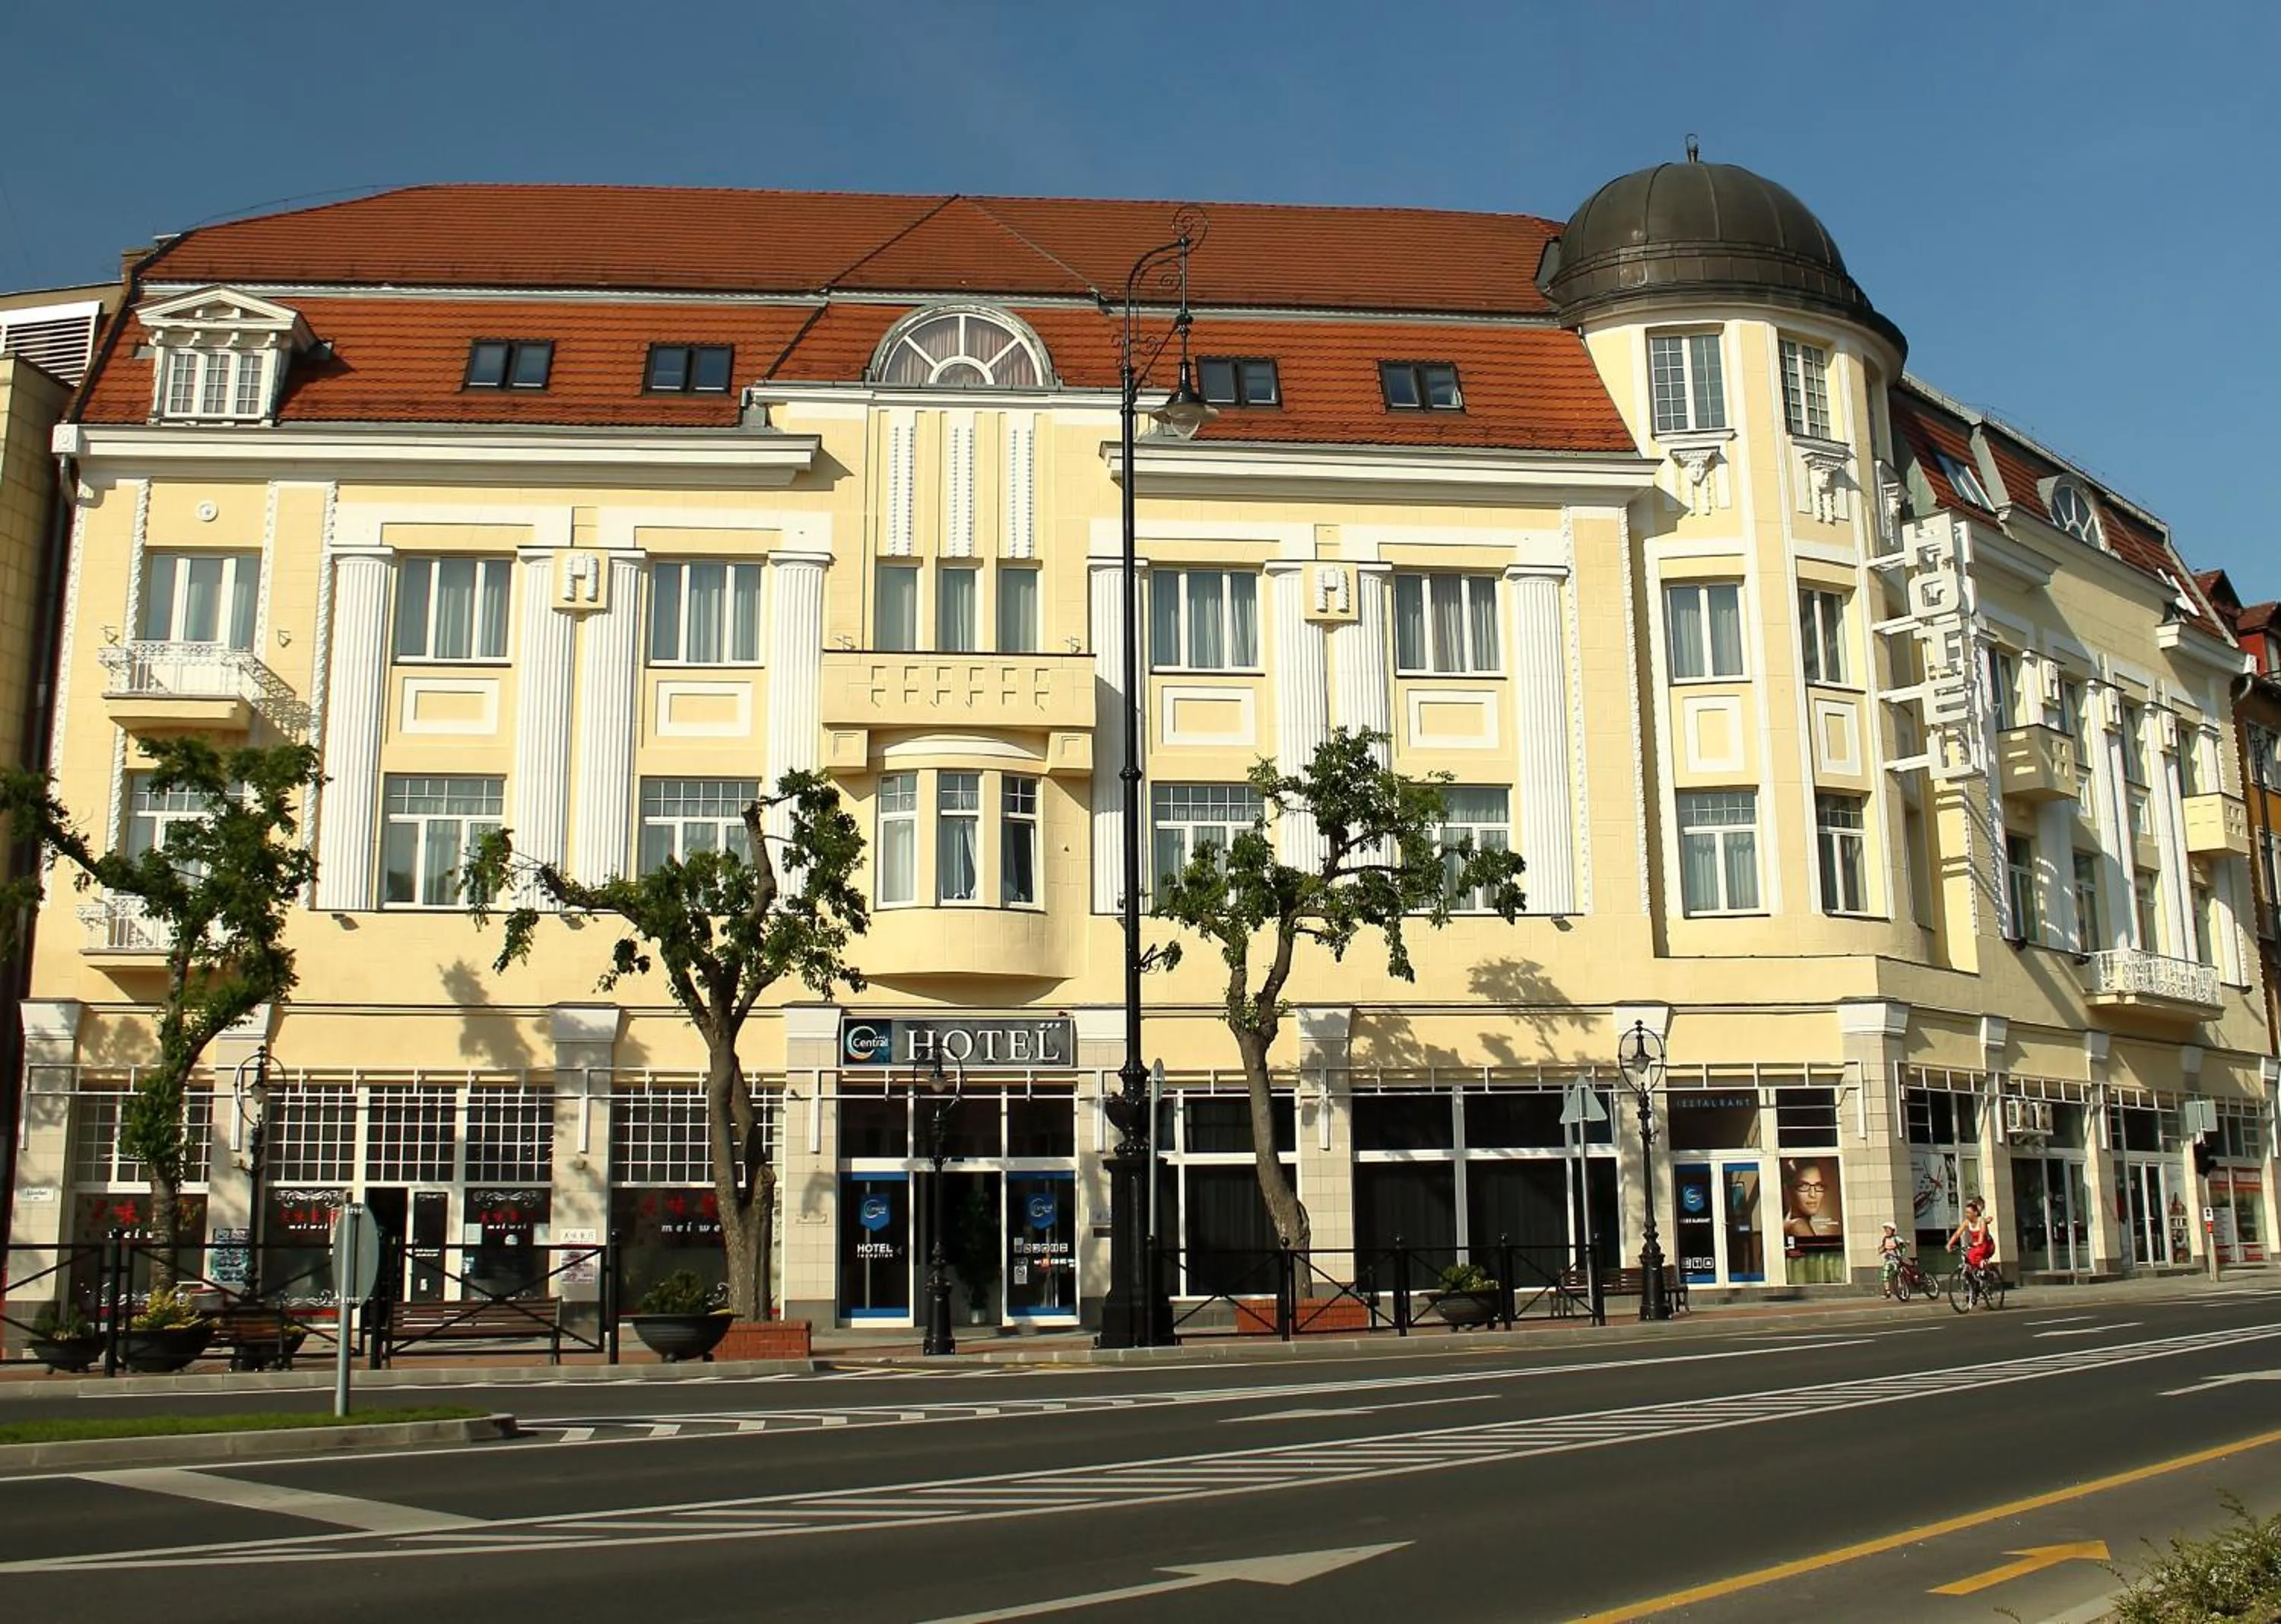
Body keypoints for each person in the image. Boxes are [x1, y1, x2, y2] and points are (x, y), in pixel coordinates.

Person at [1783, 1160, 1841, 1239]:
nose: (1813, 1195)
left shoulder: (1789, 1221)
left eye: (1818, 1186)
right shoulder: (1798, 1226)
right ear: (1788, 1190)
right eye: (1804, 1186)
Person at [1947, 1197, 1996, 1281]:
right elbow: (1957, 1234)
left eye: (1969, 1213)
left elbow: (1982, 1233)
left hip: (1986, 1245)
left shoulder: (1981, 1220)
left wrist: (1979, 1242)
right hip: (1976, 1245)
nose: (1967, 1215)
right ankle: (1973, 1283)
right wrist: (1950, 1244)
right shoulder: (1967, 1222)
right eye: (1966, 1213)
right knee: (1969, 1259)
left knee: (1976, 1257)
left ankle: (1987, 1274)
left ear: (1975, 1212)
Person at [1877, 1221, 1904, 1297]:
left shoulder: (1896, 1238)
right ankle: (1887, 1292)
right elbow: (1883, 1247)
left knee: (1898, 1273)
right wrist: (1881, 1250)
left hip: (1896, 1259)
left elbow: (1903, 1244)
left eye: (1888, 1229)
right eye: (1886, 1230)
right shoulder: (1885, 1239)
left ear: (1892, 1230)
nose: (1887, 1231)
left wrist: (1904, 1245)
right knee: (1885, 1274)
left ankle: (1901, 1290)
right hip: (1888, 1259)